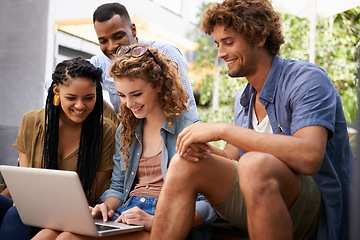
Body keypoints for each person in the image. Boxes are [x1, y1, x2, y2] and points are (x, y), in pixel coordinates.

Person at [150, 0, 353, 240]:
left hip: (317, 210)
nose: (220, 53)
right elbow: (230, 159)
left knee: (255, 164)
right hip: (259, 197)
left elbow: (309, 157)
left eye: (229, 42)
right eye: (217, 44)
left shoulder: (306, 79)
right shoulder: (244, 99)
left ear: (259, 37)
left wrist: (223, 130)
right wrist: (201, 149)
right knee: (185, 163)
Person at [32, 44, 217, 240]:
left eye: (136, 94)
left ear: (159, 84)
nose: (129, 104)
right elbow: (119, 188)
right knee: (47, 234)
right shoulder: (127, 128)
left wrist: (158, 221)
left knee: (67, 238)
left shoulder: (190, 128)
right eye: (122, 95)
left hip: (168, 220)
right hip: (127, 214)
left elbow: (208, 203)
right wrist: (105, 207)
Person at [0, 57, 116, 240]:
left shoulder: (106, 130)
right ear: (56, 91)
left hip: (73, 214)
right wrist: (23, 201)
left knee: (16, 215)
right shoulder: (32, 121)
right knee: (18, 211)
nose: (80, 105)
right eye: (71, 97)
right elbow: (25, 181)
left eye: (89, 98)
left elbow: (92, 194)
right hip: (29, 206)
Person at [89, 2, 198, 117]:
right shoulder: (101, 63)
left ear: (133, 30)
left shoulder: (164, 53)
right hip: (128, 132)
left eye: (119, 36)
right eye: (103, 41)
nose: (112, 46)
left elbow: (188, 106)